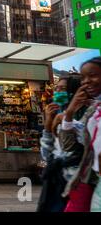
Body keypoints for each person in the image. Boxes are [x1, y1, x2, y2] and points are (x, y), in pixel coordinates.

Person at [37, 74, 85, 212]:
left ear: (74, 91)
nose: (57, 92)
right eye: (56, 88)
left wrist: (68, 120)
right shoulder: (58, 116)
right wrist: (48, 124)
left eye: (62, 89)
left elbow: (73, 148)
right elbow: (47, 156)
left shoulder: (87, 115)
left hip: (77, 184)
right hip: (57, 183)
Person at [60, 57, 101, 212]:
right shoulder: (93, 111)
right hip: (91, 181)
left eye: (92, 75)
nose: (86, 82)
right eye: (83, 78)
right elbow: (69, 145)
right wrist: (70, 112)